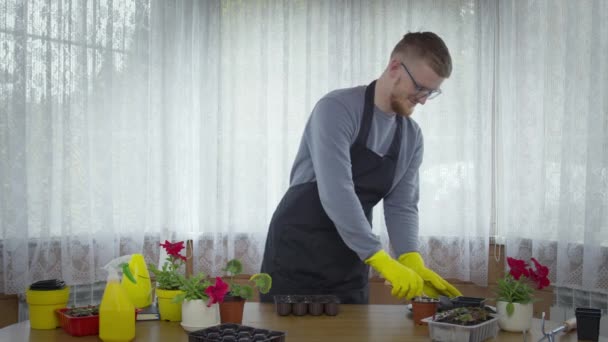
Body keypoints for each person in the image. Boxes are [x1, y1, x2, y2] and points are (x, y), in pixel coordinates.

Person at [260, 32, 462, 304]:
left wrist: (409, 257)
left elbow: (401, 204)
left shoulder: (411, 137)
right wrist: (378, 257)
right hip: (297, 249)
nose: (423, 99)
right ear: (394, 67)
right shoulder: (336, 109)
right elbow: (337, 191)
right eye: (419, 88)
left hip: (350, 258)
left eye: (431, 92)